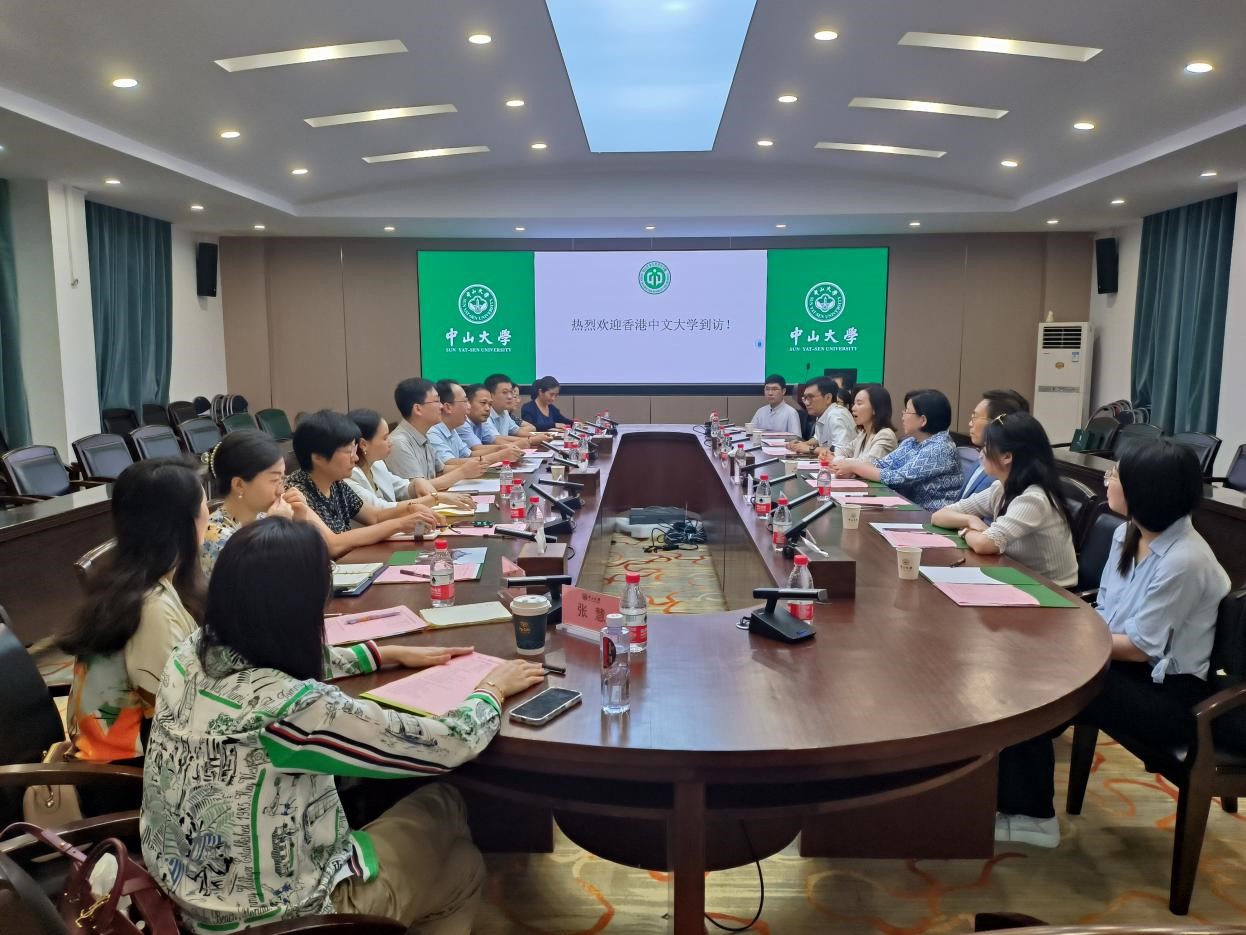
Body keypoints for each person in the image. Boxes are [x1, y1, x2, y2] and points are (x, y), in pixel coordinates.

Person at [140, 517, 546, 933]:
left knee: (461, 864)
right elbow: (449, 744)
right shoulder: (291, 708)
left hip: (178, 900)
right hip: (289, 920)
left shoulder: (187, 656)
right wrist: (492, 689)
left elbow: (269, 655)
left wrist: (380, 654)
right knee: (447, 807)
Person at [995, 440, 1231, 848]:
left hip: (1172, 696)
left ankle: (1033, 817)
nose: (1106, 480)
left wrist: (1065, 638)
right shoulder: (1127, 532)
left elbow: (1141, 648)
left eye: (1115, 475)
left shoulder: (1185, 559)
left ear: (1145, 490)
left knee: (1039, 683)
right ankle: (1007, 797)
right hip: (1125, 666)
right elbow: (1105, 609)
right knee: (1028, 665)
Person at [60, 459, 207, 765]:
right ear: (183, 523)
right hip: (128, 772)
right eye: (204, 505)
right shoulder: (150, 607)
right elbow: (180, 713)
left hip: (146, 750)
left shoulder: (136, 581)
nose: (209, 515)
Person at [932, 412, 1077, 586]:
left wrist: (965, 531)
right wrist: (970, 520)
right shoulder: (1000, 488)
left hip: (1051, 591)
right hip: (1016, 576)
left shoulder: (1034, 499)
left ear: (1007, 456)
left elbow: (983, 544)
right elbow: (939, 516)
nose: (981, 452)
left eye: (987, 446)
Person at [287, 410, 439, 546]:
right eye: (348, 452)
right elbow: (333, 543)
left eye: (355, 450)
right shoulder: (297, 491)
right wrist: (400, 524)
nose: (355, 457)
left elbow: (374, 516)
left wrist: (410, 509)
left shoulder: (336, 484)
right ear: (318, 457)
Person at [200, 431, 320, 574]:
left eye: (282, 479)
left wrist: (300, 524)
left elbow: (311, 567)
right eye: (274, 480)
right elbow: (270, 580)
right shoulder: (216, 537)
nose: (281, 490)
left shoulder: (263, 516)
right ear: (239, 484)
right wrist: (278, 530)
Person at [835, 389, 963, 510]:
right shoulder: (912, 441)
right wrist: (852, 469)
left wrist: (854, 467)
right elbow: (882, 464)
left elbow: (897, 478)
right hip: (906, 509)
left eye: (907, 411)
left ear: (923, 420)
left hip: (929, 516)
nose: (902, 416)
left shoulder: (940, 448)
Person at [345, 409, 474, 515]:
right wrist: (436, 498)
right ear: (363, 444)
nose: (390, 441)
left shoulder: (377, 464)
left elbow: (401, 487)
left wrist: (416, 483)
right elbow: (381, 509)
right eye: (385, 438)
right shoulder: (351, 475)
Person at [386, 378, 488, 489]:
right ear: (418, 409)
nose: (441, 406)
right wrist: (463, 472)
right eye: (436, 401)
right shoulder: (399, 444)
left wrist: (473, 467)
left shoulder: (422, 434)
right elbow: (417, 489)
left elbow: (440, 470)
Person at [427, 379, 521, 468]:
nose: (469, 407)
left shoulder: (451, 429)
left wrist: (500, 449)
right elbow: (449, 463)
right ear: (448, 407)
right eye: (465, 401)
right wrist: (498, 456)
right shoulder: (432, 432)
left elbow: (469, 454)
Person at [959, 389, 1031, 500]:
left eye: (975, 417)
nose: (970, 423)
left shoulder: (1003, 475)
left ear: (997, 422)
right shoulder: (980, 458)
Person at [788, 378, 854, 456]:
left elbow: (843, 452)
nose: (806, 403)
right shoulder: (823, 413)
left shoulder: (837, 416)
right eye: (805, 398)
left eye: (810, 397)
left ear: (828, 398)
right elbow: (818, 439)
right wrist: (802, 444)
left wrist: (810, 449)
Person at [483, 373, 549, 442]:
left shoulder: (504, 412)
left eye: (511, 392)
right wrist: (532, 440)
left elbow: (516, 430)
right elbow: (496, 440)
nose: (510, 397)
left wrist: (537, 436)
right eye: (504, 392)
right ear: (490, 395)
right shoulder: (485, 414)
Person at [845, 384, 898, 461]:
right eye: (854, 404)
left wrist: (838, 460)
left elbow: (867, 463)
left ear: (875, 409)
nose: (853, 408)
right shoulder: (863, 433)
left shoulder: (885, 435)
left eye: (859, 404)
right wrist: (831, 454)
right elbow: (846, 450)